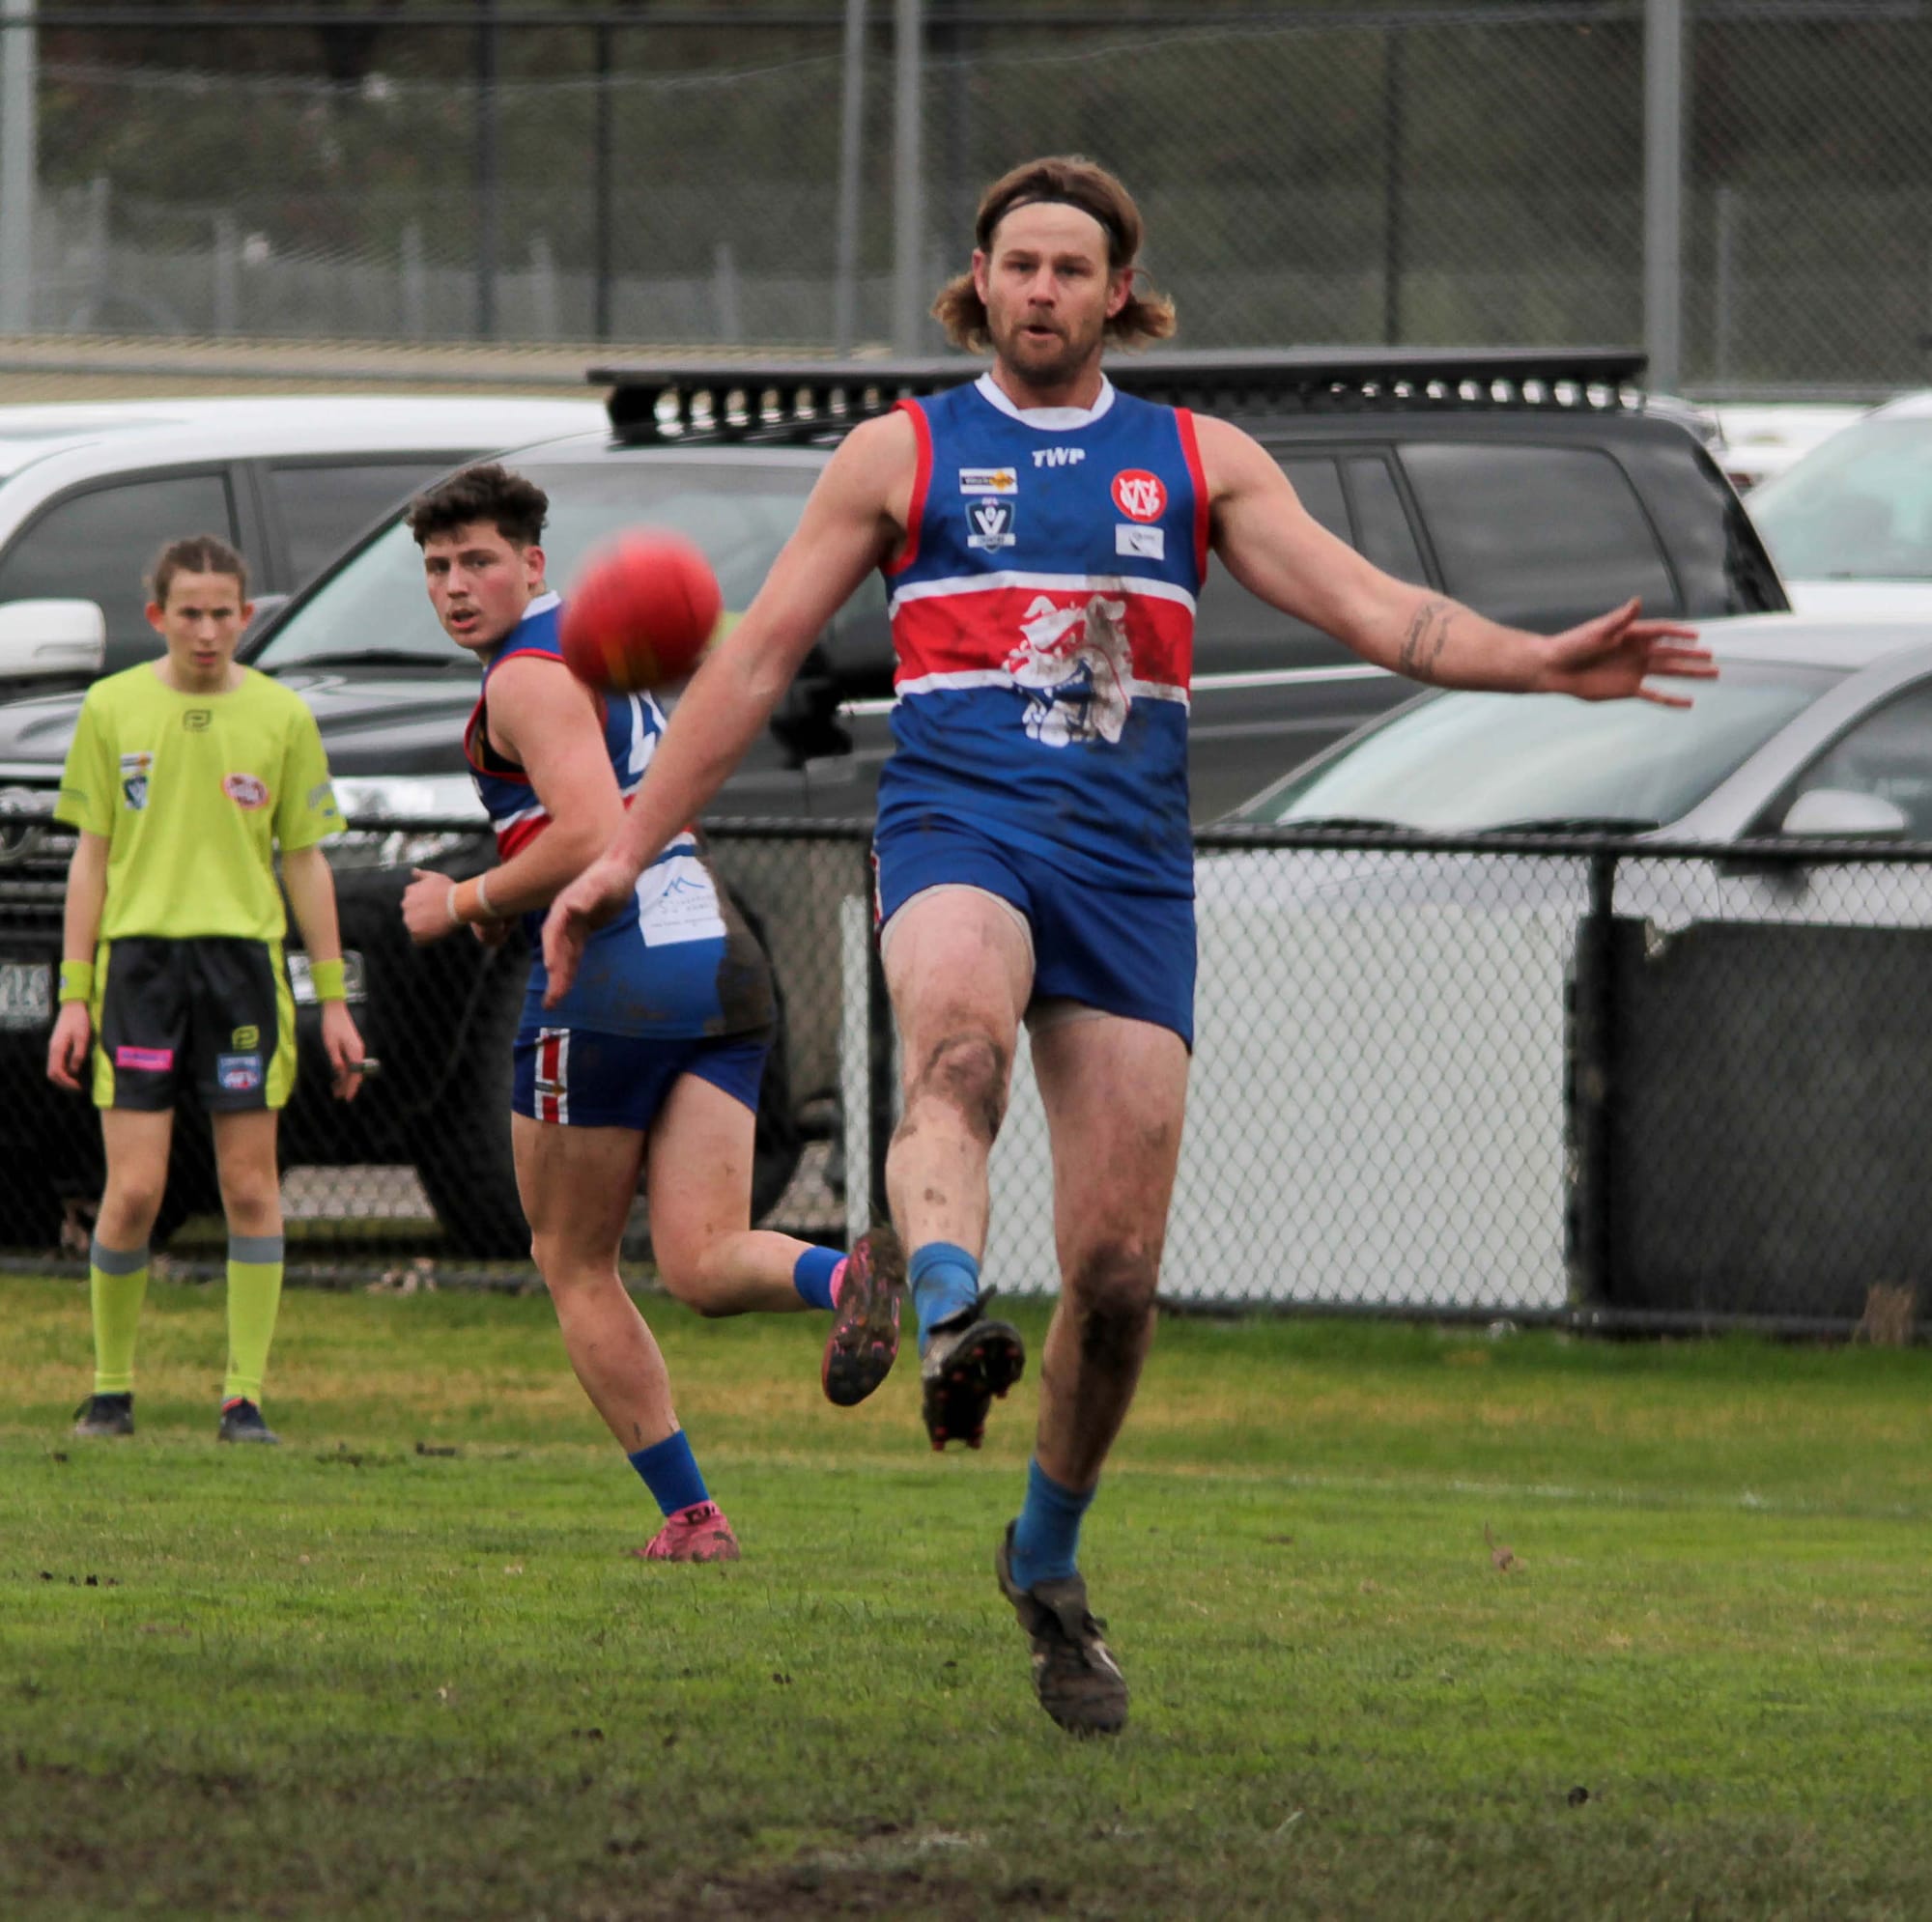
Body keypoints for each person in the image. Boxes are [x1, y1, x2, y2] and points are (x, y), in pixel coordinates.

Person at [541, 156, 1715, 1724]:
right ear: (979, 279)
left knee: (1117, 1269)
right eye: (1017, 264)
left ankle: (1046, 1559)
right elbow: (754, 662)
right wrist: (623, 848)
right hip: (961, 828)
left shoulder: (1194, 458)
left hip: (1128, 871)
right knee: (955, 1052)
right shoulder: (902, 454)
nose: (1040, 291)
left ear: (1118, 293)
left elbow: (1378, 611)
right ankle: (950, 1304)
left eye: (1070, 269)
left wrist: (1539, 663)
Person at [395, 464, 903, 1566]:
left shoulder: (525, 679)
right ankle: (844, 1278)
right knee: (702, 1260)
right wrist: (515, 893)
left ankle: (691, 1515)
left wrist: (462, 900)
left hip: (613, 976)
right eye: (435, 567)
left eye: (477, 560)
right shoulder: (600, 638)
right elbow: (615, 811)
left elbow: (585, 832)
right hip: (716, 951)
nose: (454, 585)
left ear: (534, 562)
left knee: (571, 1259)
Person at [49, 534, 366, 1446]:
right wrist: (76, 996)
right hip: (139, 969)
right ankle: (109, 1392)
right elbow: (91, 859)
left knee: (250, 1187)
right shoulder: (111, 709)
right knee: (136, 1191)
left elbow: (306, 866)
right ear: (157, 617)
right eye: (188, 612)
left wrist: (335, 1000)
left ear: (246, 616)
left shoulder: (280, 717)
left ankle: (243, 1398)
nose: (206, 629)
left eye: (223, 612)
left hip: (242, 975)